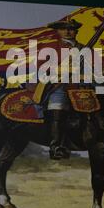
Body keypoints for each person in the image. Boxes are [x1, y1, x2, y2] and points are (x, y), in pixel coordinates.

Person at [34, 18, 84, 160]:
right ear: (58, 31)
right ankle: (56, 146)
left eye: (71, 28)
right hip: (59, 85)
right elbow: (42, 67)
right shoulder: (51, 48)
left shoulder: (84, 48)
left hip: (82, 85)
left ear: (76, 31)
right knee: (58, 107)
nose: (67, 31)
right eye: (63, 28)